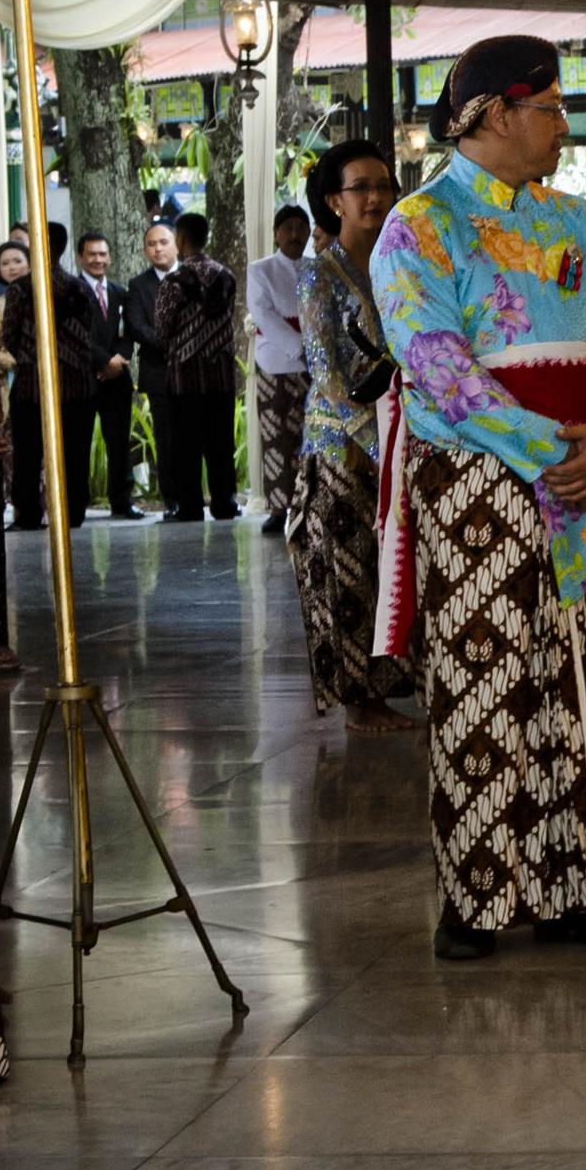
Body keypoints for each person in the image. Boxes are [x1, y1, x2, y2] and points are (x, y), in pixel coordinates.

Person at [371, 35, 586, 960]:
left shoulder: (581, 224)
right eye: (554, 109)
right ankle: (478, 896)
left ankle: (582, 890)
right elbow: (438, 367)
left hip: (585, 482)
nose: (566, 128)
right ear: (496, 112)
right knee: (483, 680)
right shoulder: (420, 223)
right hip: (477, 482)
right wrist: (548, 448)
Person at [290, 141, 420, 733]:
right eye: (360, 187)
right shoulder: (319, 271)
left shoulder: (403, 263)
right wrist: (377, 444)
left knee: (395, 566)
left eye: (383, 185)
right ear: (332, 201)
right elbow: (326, 372)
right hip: (341, 447)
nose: (375, 197)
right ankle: (356, 700)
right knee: (346, 574)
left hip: (401, 438)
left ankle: (398, 684)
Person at [1, 221, 100, 532]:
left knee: (28, 453)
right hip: (77, 384)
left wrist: (33, 357)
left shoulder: (21, 288)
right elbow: (89, 334)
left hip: (33, 384)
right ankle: (73, 513)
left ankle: (28, 514)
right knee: (76, 453)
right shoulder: (81, 287)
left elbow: (10, 335)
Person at [155, 210, 240, 522]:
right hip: (220, 376)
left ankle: (190, 506)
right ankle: (224, 503)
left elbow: (162, 329)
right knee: (220, 444)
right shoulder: (226, 277)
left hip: (184, 377)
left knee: (185, 446)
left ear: (180, 239)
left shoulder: (174, 281)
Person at [248, 204, 312, 536]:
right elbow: (263, 313)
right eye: (287, 228)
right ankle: (278, 506)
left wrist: (314, 350)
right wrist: (300, 346)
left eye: (301, 228)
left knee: (306, 434)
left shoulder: (317, 268)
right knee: (276, 437)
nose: (294, 235)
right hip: (274, 361)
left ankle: (307, 502)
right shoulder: (261, 270)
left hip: (312, 365)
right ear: (276, 233)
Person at [73, 232, 141, 520]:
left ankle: (122, 502)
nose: (98, 259)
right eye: (92, 254)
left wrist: (119, 359)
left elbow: (129, 331)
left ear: (110, 257)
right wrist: (103, 360)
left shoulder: (118, 291)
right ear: (80, 257)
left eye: (102, 254)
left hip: (117, 380)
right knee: (78, 443)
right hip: (84, 379)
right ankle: (75, 505)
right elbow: (74, 335)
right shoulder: (71, 291)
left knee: (119, 443)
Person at [124, 219, 186, 519]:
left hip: (193, 373)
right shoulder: (138, 285)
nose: (158, 248)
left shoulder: (193, 276)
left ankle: (197, 497)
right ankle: (172, 499)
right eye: (152, 244)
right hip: (159, 373)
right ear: (145, 250)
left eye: (164, 242)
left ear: (177, 244)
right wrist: (172, 344)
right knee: (166, 439)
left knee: (194, 435)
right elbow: (136, 326)